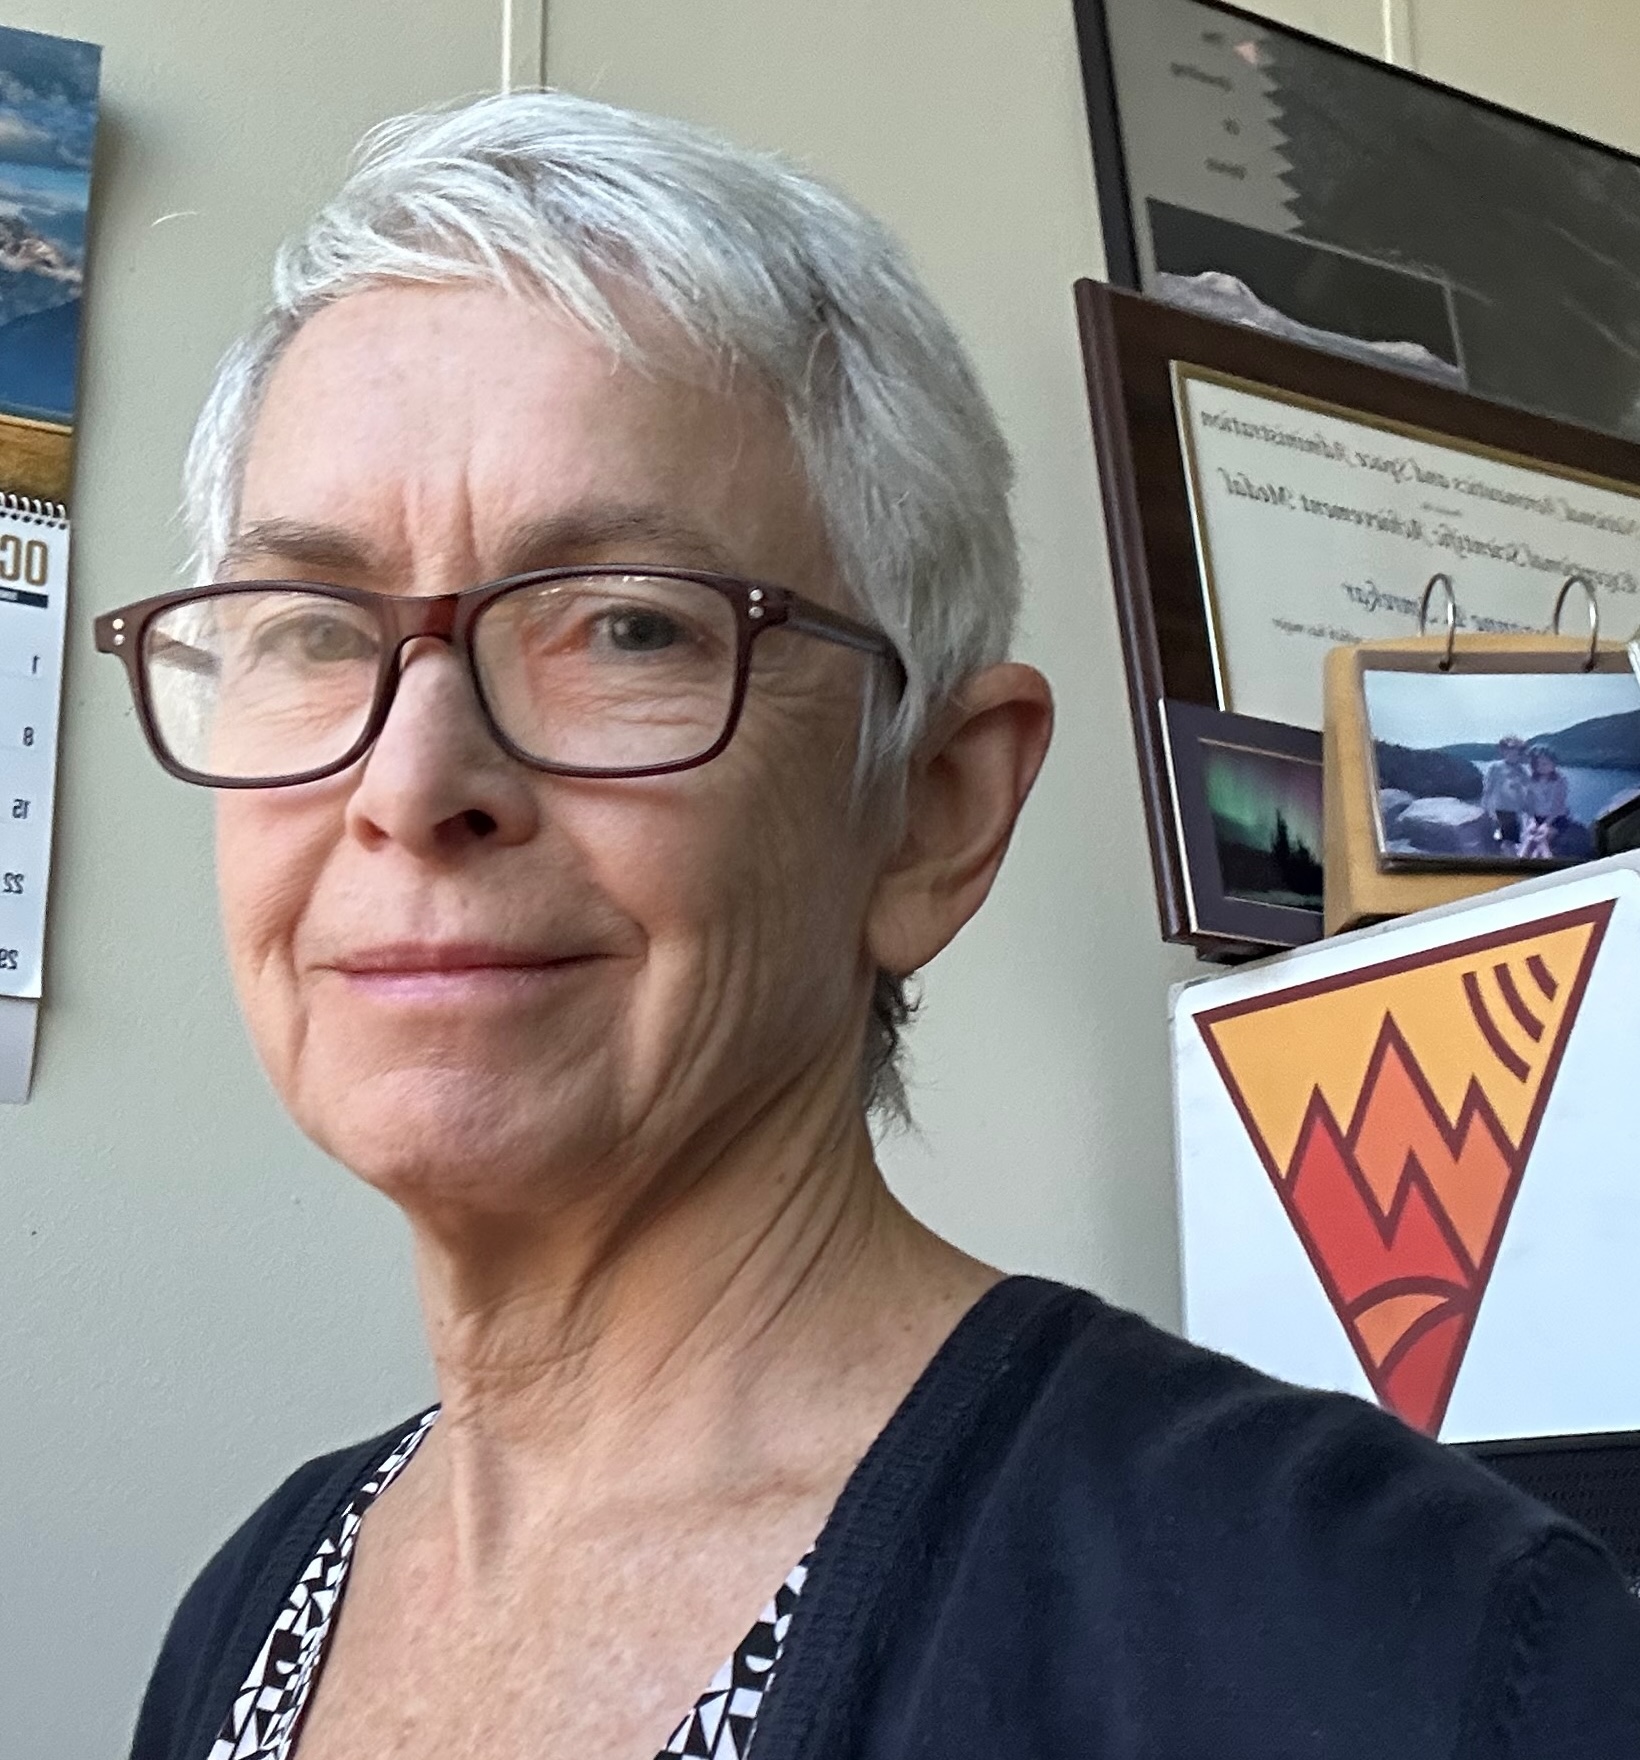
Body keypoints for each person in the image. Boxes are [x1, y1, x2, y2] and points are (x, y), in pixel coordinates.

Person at [111, 95, 1640, 1760]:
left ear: (933, 809)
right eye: (312, 629)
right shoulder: (250, 1609)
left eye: (626, 627)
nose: (413, 781)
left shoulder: (1406, 1648)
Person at [1519, 742, 1573, 858]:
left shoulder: (1560, 780)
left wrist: (1545, 824)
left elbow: (1558, 806)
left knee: (1541, 839)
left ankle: (1548, 867)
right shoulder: (1530, 781)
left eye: (1545, 763)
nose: (1542, 767)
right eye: (1538, 764)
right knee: (1529, 839)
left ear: (1553, 763)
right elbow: (1529, 805)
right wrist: (1533, 822)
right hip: (1536, 818)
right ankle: (1517, 866)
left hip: (1556, 818)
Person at [1480, 733, 1530, 849]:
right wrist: (1488, 809)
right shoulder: (1495, 768)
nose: (1513, 753)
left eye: (1517, 750)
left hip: (1515, 812)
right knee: (1504, 841)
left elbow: (1529, 790)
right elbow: (1488, 789)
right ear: (1503, 751)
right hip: (1499, 810)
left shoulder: (1522, 770)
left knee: (1511, 840)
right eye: (1509, 749)